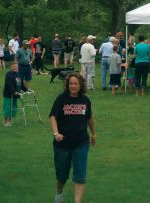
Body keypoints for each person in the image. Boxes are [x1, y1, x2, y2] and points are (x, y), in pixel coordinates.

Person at [49, 73, 96, 203]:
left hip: (81, 142)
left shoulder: (85, 100)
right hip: (62, 143)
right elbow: (53, 116)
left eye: (76, 83)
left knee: (80, 173)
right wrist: (56, 133)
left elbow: (90, 118)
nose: (73, 86)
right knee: (62, 174)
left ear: (81, 85)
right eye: (71, 83)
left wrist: (94, 134)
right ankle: (59, 192)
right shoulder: (61, 99)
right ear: (67, 85)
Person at [2, 62, 26, 127]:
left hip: (15, 95)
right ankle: (6, 122)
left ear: (18, 67)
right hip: (8, 94)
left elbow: (21, 85)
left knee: (13, 108)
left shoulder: (19, 75)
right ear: (11, 67)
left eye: (16, 66)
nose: (14, 67)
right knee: (7, 108)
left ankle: (10, 122)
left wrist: (27, 90)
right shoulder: (9, 74)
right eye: (13, 66)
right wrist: (13, 91)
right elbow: (9, 84)